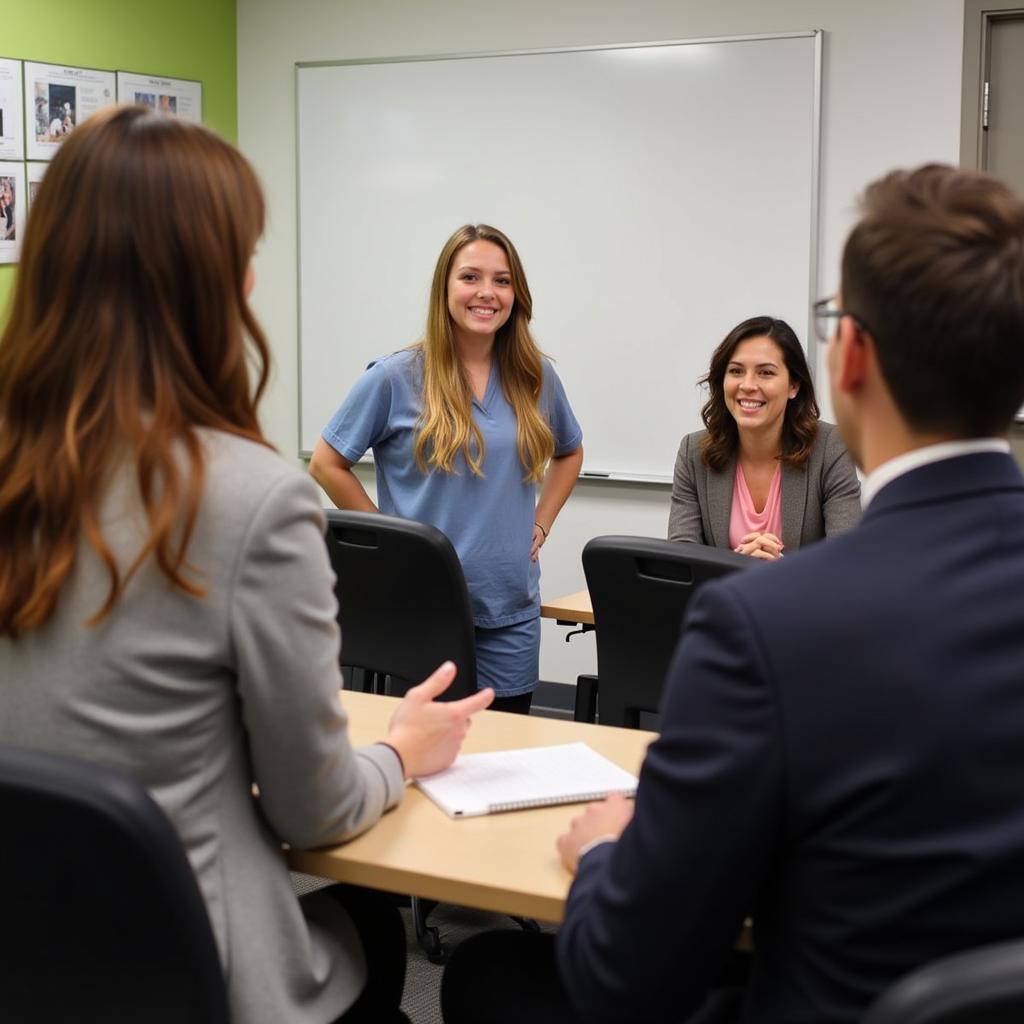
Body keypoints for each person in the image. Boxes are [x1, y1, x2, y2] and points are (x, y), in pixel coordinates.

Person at [441, 163, 1024, 1024]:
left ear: (847, 357)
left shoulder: (762, 625)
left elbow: (631, 970)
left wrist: (606, 853)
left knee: (488, 975)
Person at [0, 105, 495, 1024]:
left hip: (29, 961)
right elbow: (318, 813)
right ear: (207, 281)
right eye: (244, 251)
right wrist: (402, 751)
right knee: (374, 928)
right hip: (193, 974)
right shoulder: (254, 500)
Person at [309, 224, 583, 715]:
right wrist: (391, 541)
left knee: (505, 754)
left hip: (510, 605)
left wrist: (541, 522)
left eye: (502, 281)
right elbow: (328, 463)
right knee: (432, 762)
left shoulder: (535, 376)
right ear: (445, 288)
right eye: (470, 277)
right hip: (423, 606)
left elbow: (570, 451)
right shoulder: (395, 376)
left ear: (516, 293)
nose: (487, 293)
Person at [668, 316, 860, 559]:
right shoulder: (693, 452)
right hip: (724, 597)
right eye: (736, 371)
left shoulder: (831, 448)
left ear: (794, 386)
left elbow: (848, 560)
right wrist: (737, 568)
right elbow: (682, 563)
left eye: (766, 373)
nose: (748, 385)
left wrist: (782, 575)